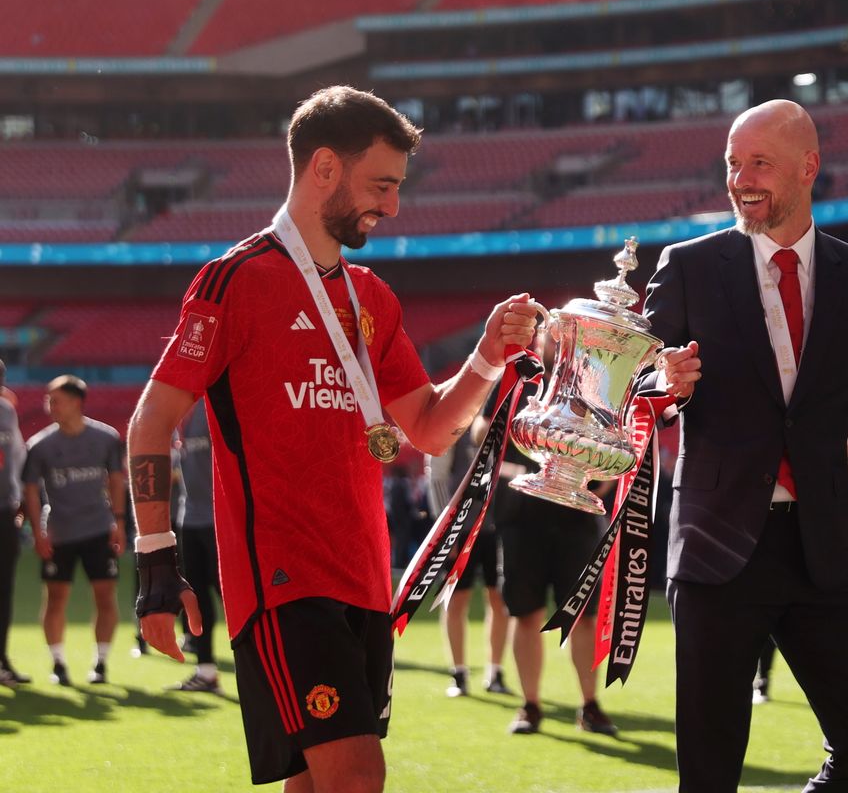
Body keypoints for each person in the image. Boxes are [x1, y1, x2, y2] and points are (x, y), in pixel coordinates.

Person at [126, 86, 539, 793]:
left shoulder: (371, 296)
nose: (394, 206)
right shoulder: (234, 281)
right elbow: (150, 423)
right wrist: (157, 563)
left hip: (364, 578)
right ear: (324, 169)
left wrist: (485, 359)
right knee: (356, 774)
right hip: (283, 581)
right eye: (381, 184)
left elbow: (433, 429)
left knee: (316, 782)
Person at [645, 99, 848, 793]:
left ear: (809, 167)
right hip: (716, 550)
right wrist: (662, 384)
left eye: (759, 162)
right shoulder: (687, 265)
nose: (741, 178)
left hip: (823, 553)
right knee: (708, 777)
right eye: (733, 164)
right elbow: (635, 387)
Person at [475, 371, 618, 737]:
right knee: (526, 614)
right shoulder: (516, 379)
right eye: (555, 332)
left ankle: (589, 705)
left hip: (576, 516)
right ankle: (531, 704)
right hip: (521, 515)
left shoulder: (594, 385)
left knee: (582, 616)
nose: (560, 339)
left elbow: (614, 439)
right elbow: (480, 430)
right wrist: (508, 427)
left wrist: (607, 474)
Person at [21, 375, 125, 686]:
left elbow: (117, 481)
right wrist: (38, 532)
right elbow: (30, 491)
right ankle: (58, 663)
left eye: (55, 400)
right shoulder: (39, 445)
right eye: (47, 400)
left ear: (76, 402)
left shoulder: (106, 438)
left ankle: (101, 663)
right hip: (59, 533)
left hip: (98, 530)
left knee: (105, 596)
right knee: (54, 599)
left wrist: (118, 523)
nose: (49, 406)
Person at [425, 432, 511, 698]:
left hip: (498, 527)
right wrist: (445, 529)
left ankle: (495, 672)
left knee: (499, 598)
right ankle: (459, 673)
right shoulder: (456, 423)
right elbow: (436, 477)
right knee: (456, 598)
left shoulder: (505, 423)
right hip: (460, 529)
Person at [169, 403, 224, 693]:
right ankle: (205, 672)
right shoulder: (177, 411)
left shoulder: (213, 404)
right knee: (197, 599)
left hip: (222, 519)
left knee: (235, 597)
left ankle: (267, 672)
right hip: (188, 518)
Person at [0, 359, 29, 685]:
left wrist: (18, 499)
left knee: (3, 590)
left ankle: (1, 658)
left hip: (4, 512)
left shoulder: (6, 412)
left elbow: (17, 457)